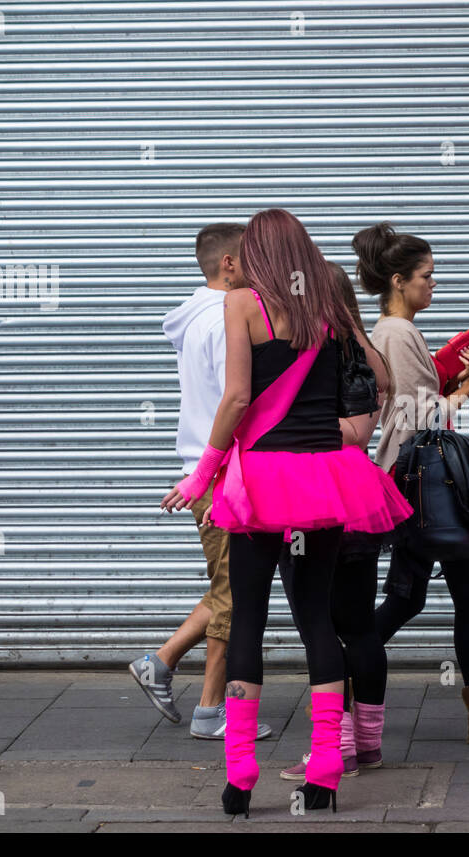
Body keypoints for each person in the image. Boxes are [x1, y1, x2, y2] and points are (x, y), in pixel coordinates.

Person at [161, 209, 412, 816]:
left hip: (262, 483)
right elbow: (381, 379)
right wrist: (341, 425)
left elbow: (239, 397)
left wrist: (202, 471)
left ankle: (240, 776)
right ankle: (326, 765)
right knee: (317, 624)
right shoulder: (327, 307)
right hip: (325, 478)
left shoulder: (243, 304)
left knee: (247, 620)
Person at [353, 222, 469, 745]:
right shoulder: (397, 332)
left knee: (416, 595)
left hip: (412, 481)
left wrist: (452, 381)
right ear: (398, 281)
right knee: (456, 592)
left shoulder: (392, 332)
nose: (433, 285)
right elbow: (421, 417)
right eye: (427, 277)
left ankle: (350, 671)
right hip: (423, 484)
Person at [133, 222, 269, 742]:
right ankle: (212, 711)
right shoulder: (221, 321)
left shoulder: (196, 318)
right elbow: (235, 403)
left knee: (230, 586)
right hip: (221, 475)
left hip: (209, 472)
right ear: (229, 264)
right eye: (251, 259)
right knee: (235, 594)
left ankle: (160, 663)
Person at [279, 262, 394, 781]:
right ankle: (368, 743)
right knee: (359, 624)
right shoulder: (361, 347)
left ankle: (337, 744)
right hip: (360, 492)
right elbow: (379, 397)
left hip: (306, 494)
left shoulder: (299, 347)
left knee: (316, 624)